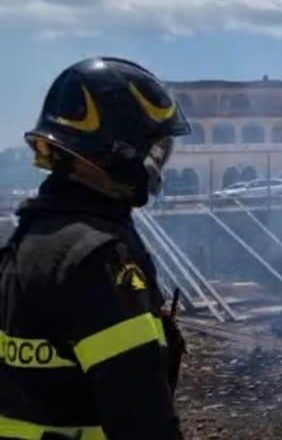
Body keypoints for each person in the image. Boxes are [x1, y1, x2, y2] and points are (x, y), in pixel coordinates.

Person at [0, 57, 190, 439]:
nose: (156, 166)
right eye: (155, 151)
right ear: (120, 149)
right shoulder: (100, 260)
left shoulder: (26, 246)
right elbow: (142, 420)